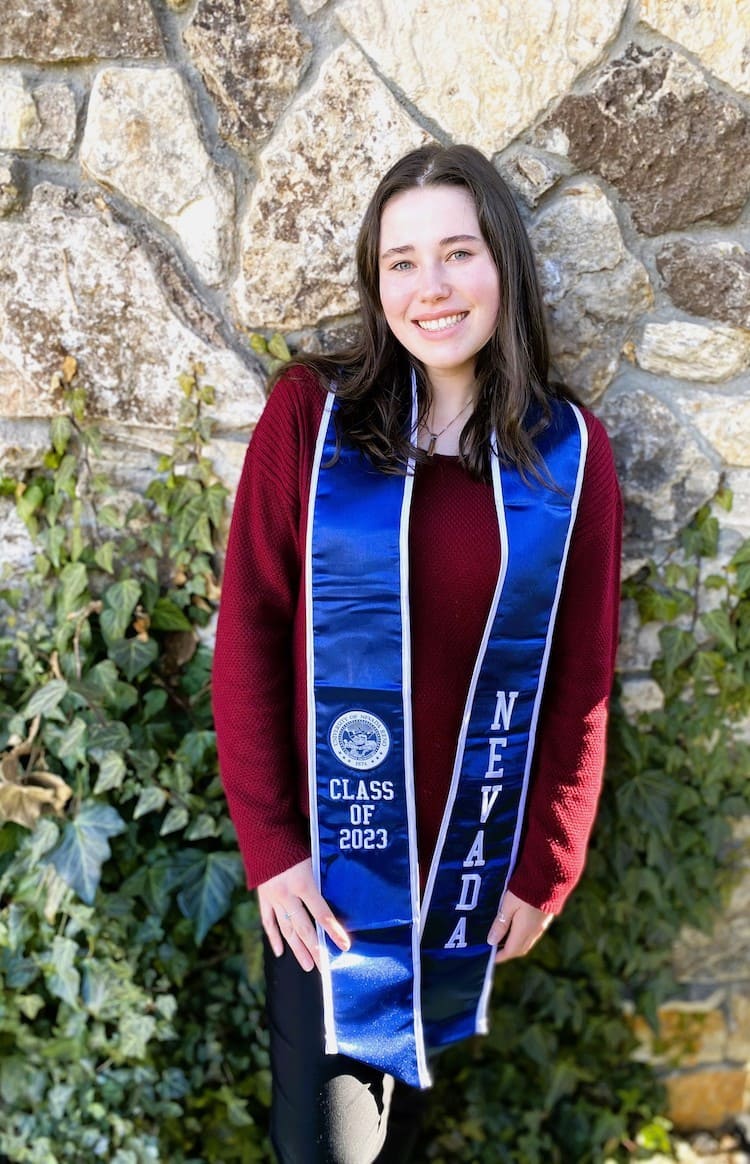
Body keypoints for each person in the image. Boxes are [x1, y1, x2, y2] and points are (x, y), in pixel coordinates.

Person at [212, 143, 622, 1163]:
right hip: (334, 874)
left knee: (399, 1142)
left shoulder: (566, 454)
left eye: (457, 253)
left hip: (469, 872)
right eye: (401, 261)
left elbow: (580, 672)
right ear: (375, 281)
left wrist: (547, 862)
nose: (430, 288)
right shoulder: (312, 420)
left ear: (506, 269)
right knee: (331, 1149)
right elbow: (254, 626)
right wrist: (273, 848)